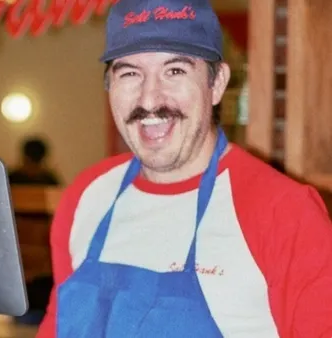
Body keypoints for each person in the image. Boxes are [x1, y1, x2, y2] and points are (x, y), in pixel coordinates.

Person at [36, 0, 332, 337]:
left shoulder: (286, 211)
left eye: (174, 71)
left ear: (217, 83)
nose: (149, 100)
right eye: (130, 73)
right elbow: (56, 327)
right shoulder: (87, 194)